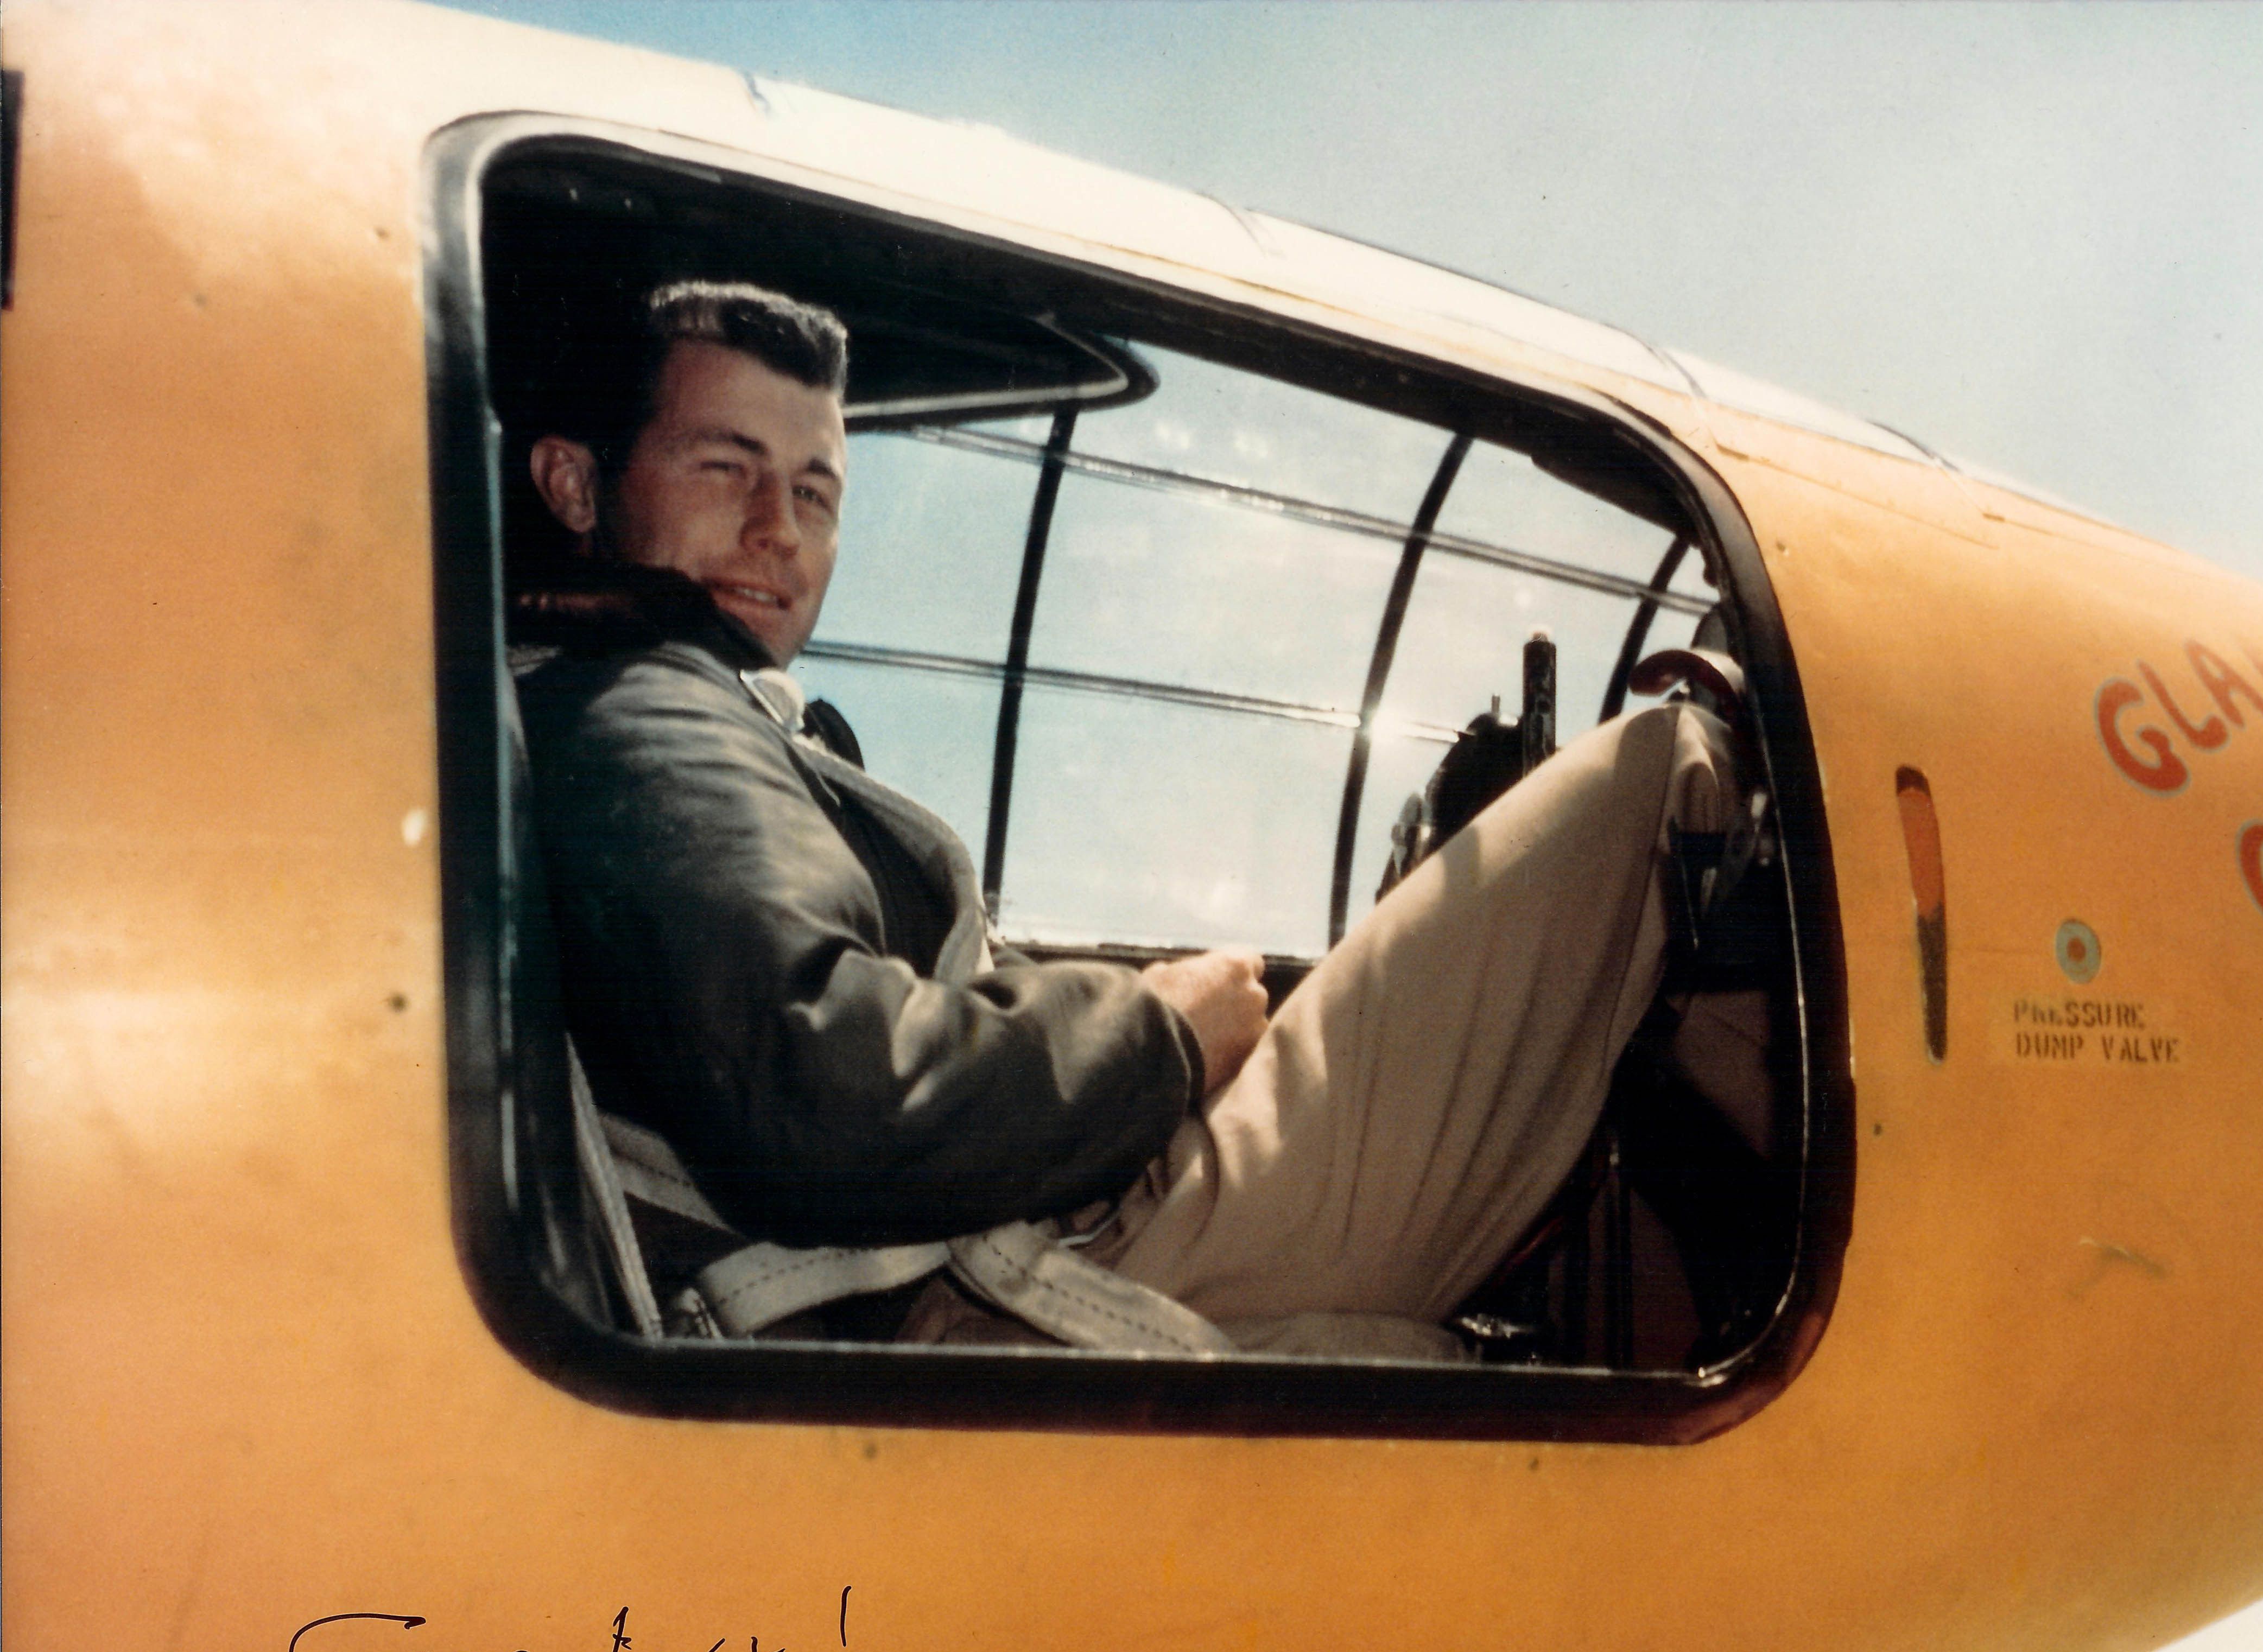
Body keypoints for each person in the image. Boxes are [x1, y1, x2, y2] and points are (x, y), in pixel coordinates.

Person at [516, 281, 1745, 1355]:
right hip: (1008, 1274)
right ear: (574, 483)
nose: (780, 529)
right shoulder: (644, 706)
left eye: (817, 491)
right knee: (1665, 772)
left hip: (1004, 1246)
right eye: (725, 468)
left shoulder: (669, 708)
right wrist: (1156, 1029)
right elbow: (827, 1087)